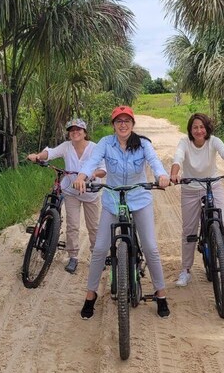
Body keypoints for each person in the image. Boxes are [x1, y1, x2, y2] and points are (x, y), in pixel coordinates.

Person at [73, 105, 172, 319]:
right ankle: (91, 295)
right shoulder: (105, 143)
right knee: (99, 249)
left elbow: (155, 162)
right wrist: (82, 176)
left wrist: (162, 176)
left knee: (151, 248)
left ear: (133, 124)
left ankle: (161, 293)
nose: (123, 124)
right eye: (119, 121)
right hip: (112, 200)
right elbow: (92, 162)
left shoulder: (143, 143)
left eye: (127, 120)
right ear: (113, 125)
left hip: (139, 199)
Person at [169, 112, 224, 287]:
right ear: (190, 129)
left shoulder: (214, 141)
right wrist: (174, 174)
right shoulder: (185, 143)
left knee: (223, 222)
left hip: (213, 186)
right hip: (190, 189)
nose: (198, 130)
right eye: (195, 127)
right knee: (189, 231)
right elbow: (178, 158)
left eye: (202, 127)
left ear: (207, 128)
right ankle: (186, 270)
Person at [27, 118, 106, 274]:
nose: (75, 132)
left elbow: (103, 170)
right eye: (72, 130)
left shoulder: (95, 148)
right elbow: (50, 153)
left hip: (90, 192)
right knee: (72, 225)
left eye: (78, 130)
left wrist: (89, 175)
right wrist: (37, 156)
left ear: (85, 132)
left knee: (94, 227)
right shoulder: (66, 147)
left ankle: (97, 257)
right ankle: (73, 257)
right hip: (71, 192)